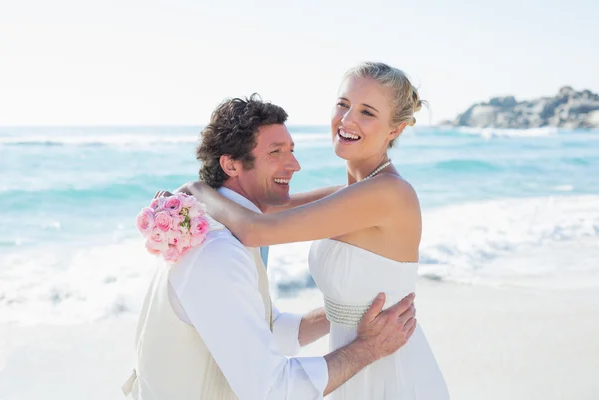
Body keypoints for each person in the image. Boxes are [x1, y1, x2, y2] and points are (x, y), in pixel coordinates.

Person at [180, 62, 450, 399]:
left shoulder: (389, 194)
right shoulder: (350, 193)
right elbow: (265, 205)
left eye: (366, 112)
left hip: (389, 369)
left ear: (394, 130)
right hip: (355, 359)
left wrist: (198, 190)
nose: (347, 119)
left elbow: (256, 229)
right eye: (343, 104)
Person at [124, 93, 417, 399]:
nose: (294, 165)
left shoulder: (220, 228)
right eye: (276, 153)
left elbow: (269, 328)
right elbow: (273, 390)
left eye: (291, 150)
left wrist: (349, 311)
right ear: (232, 165)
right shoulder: (217, 251)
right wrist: (367, 349)